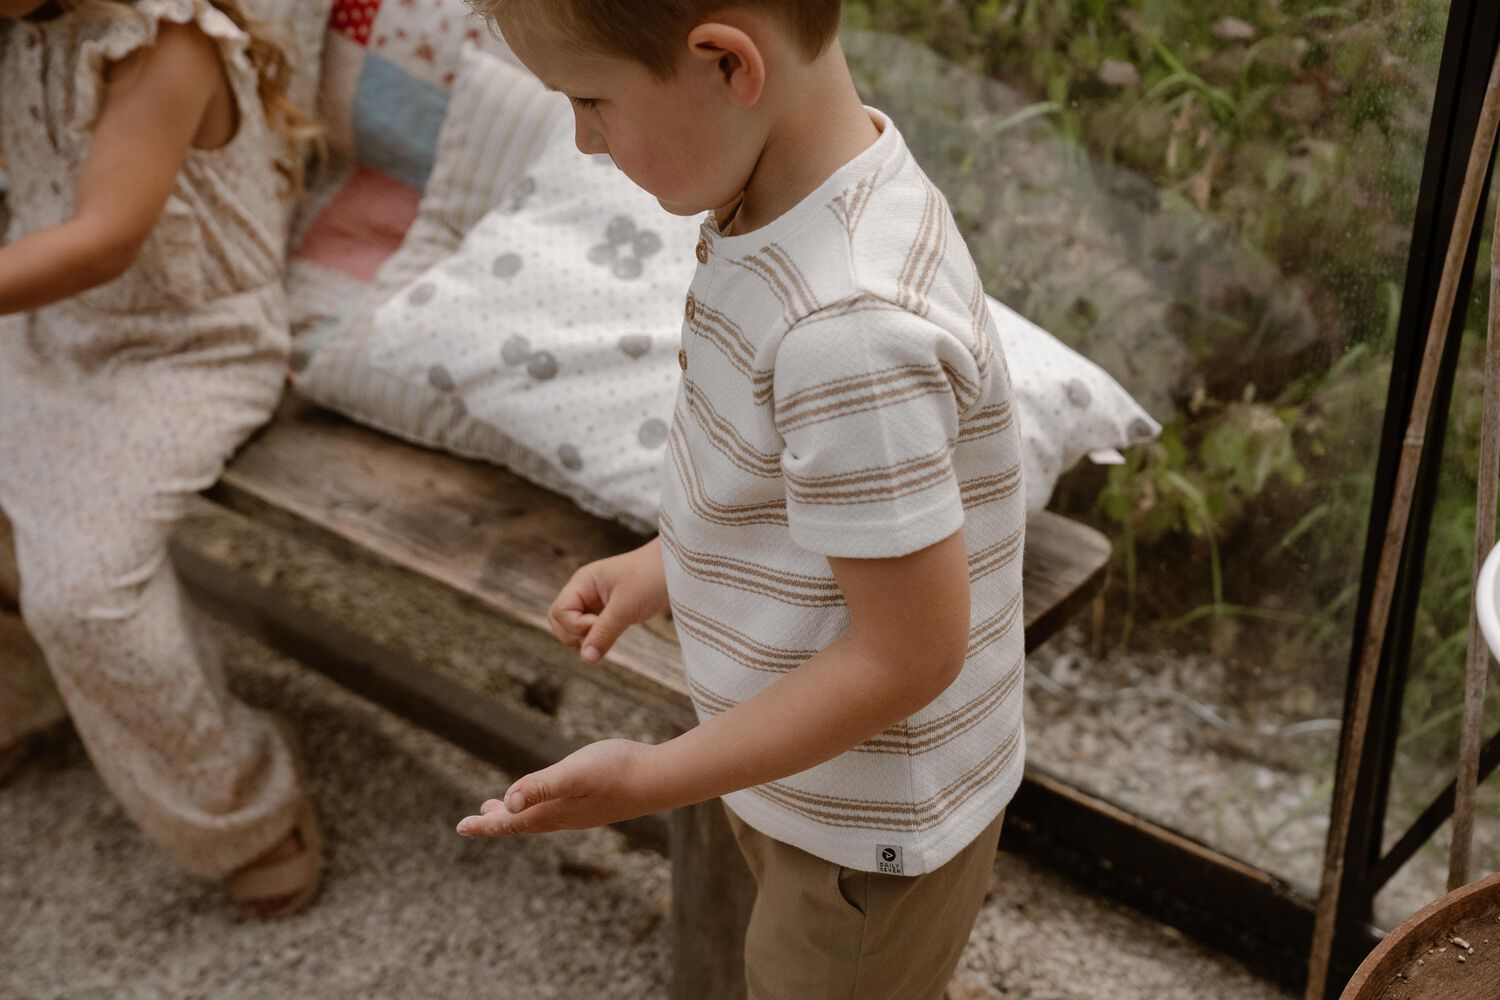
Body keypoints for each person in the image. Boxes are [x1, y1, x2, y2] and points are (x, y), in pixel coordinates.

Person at [456, 1, 1026, 996]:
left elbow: (911, 650)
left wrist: (651, 775)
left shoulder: (848, 326)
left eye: (592, 102)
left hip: (858, 831)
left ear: (727, 63)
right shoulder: (791, 192)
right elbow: (790, 485)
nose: (585, 142)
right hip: (809, 780)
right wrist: (667, 561)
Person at [0, 0, 322, 917]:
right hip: (47, 333)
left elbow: (105, 238)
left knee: (84, 591)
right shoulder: (26, 29)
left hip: (188, 351)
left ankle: (246, 808)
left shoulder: (159, 38)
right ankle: (27, 687)